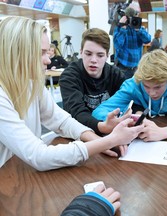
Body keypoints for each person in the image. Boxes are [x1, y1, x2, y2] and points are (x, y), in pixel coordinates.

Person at [0, 16, 144, 171]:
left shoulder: (32, 84)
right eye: (41, 53)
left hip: (20, 168)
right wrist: (109, 141)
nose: (48, 60)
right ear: (16, 53)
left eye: (47, 52)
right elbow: (39, 156)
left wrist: (96, 140)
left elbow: (62, 121)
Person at [92, 49, 167, 141]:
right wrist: (117, 122)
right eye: (146, 87)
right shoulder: (134, 84)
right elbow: (99, 111)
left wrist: (166, 132)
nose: (152, 93)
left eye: (158, 87)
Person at [59, 28, 127, 136]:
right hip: (79, 133)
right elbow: (76, 112)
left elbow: (131, 99)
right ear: (81, 52)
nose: (93, 60)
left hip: (111, 130)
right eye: (88, 54)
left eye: (100, 55)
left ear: (107, 56)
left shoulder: (116, 75)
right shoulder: (69, 76)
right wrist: (103, 127)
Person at [113, 6, 151, 79]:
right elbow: (117, 45)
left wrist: (139, 30)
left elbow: (148, 40)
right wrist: (123, 27)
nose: (132, 20)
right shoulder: (119, 28)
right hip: (123, 68)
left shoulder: (139, 27)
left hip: (137, 68)